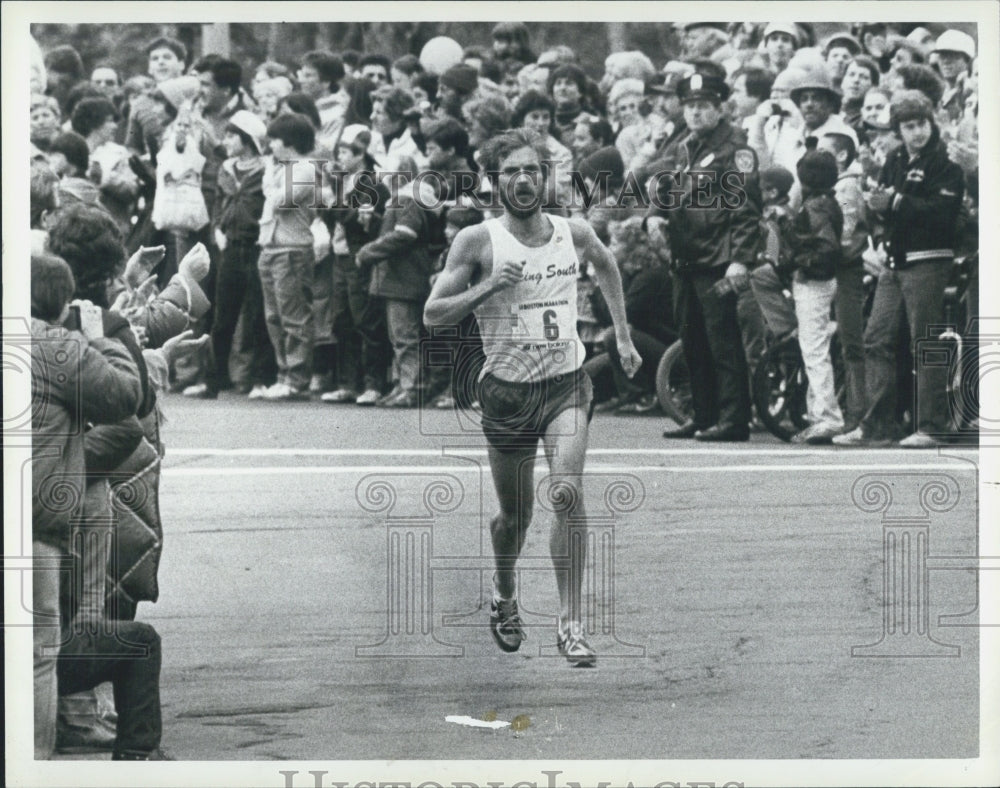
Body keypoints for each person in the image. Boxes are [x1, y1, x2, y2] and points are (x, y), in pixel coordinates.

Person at [423, 129, 641, 667]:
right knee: (513, 517)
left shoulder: (574, 230)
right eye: (511, 173)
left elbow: (607, 265)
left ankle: (571, 625)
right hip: (508, 391)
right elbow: (432, 314)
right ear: (495, 183)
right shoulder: (476, 241)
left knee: (566, 494)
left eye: (532, 171)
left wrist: (622, 334)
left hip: (565, 383)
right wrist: (489, 287)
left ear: (545, 177)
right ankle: (504, 593)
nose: (523, 180)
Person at [834, 90, 965, 448]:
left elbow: (942, 213)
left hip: (929, 259)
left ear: (931, 123)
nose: (917, 132)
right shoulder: (894, 159)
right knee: (876, 339)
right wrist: (877, 205)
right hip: (894, 260)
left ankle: (931, 425)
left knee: (925, 340)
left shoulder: (946, 163)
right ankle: (878, 424)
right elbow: (886, 208)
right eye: (909, 126)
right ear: (899, 129)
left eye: (921, 124)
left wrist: (896, 201)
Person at [652, 71, 762, 442]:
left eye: (703, 106)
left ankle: (733, 418)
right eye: (690, 107)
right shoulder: (686, 147)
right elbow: (672, 191)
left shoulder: (736, 148)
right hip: (686, 257)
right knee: (692, 339)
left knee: (722, 341)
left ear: (719, 109)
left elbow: (745, 208)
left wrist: (741, 258)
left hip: (717, 257)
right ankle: (703, 414)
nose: (695, 114)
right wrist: (655, 215)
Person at [781, 149, 845, 444]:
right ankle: (816, 414)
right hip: (823, 282)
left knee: (814, 349)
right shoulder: (826, 202)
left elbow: (826, 248)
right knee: (813, 348)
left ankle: (827, 417)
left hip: (813, 282)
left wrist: (798, 262)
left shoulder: (816, 206)